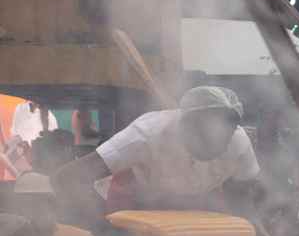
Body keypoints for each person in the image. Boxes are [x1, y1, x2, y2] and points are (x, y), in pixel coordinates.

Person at [52, 85, 264, 227]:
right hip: (138, 202)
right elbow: (67, 178)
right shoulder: (146, 135)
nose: (215, 145)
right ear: (185, 125)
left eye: (223, 138)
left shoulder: (239, 142)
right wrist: (102, 229)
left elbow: (242, 196)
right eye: (205, 137)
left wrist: (253, 232)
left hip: (196, 207)